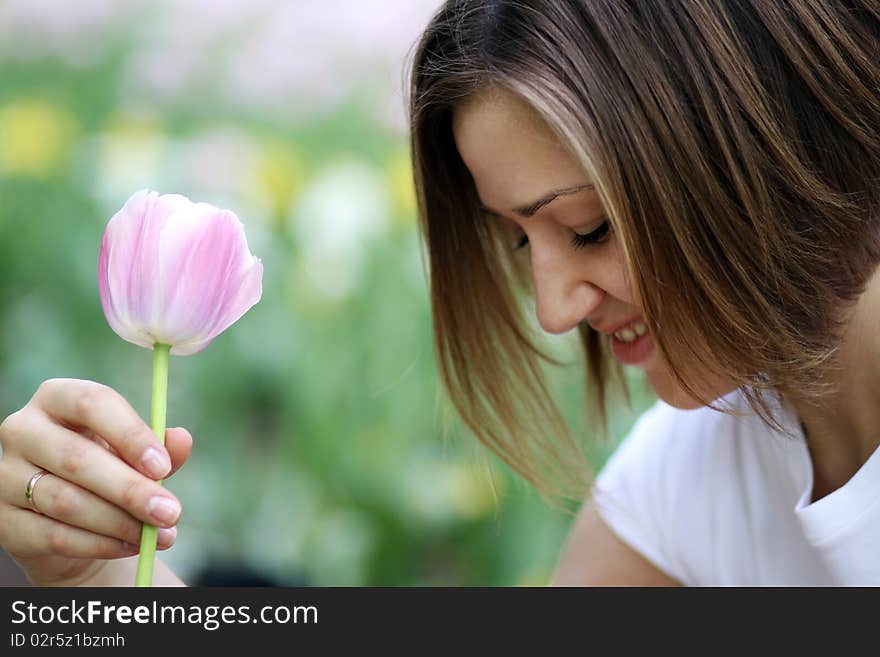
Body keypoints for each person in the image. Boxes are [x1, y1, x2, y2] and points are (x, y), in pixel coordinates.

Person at [1, 0, 878, 586]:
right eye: (515, 239)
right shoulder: (696, 470)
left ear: (763, 147)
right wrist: (105, 575)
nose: (551, 309)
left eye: (588, 228)